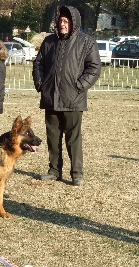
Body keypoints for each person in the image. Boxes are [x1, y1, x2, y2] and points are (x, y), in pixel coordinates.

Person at [32, 5, 101, 186]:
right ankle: (54, 170)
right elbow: (38, 64)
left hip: (73, 100)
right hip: (50, 98)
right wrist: (40, 84)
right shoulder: (49, 42)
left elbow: (94, 68)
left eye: (66, 21)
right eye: (60, 21)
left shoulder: (86, 42)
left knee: (73, 138)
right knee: (52, 137)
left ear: (73, 23)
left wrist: (79, 86)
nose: (62, 24)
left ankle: (76, 174)